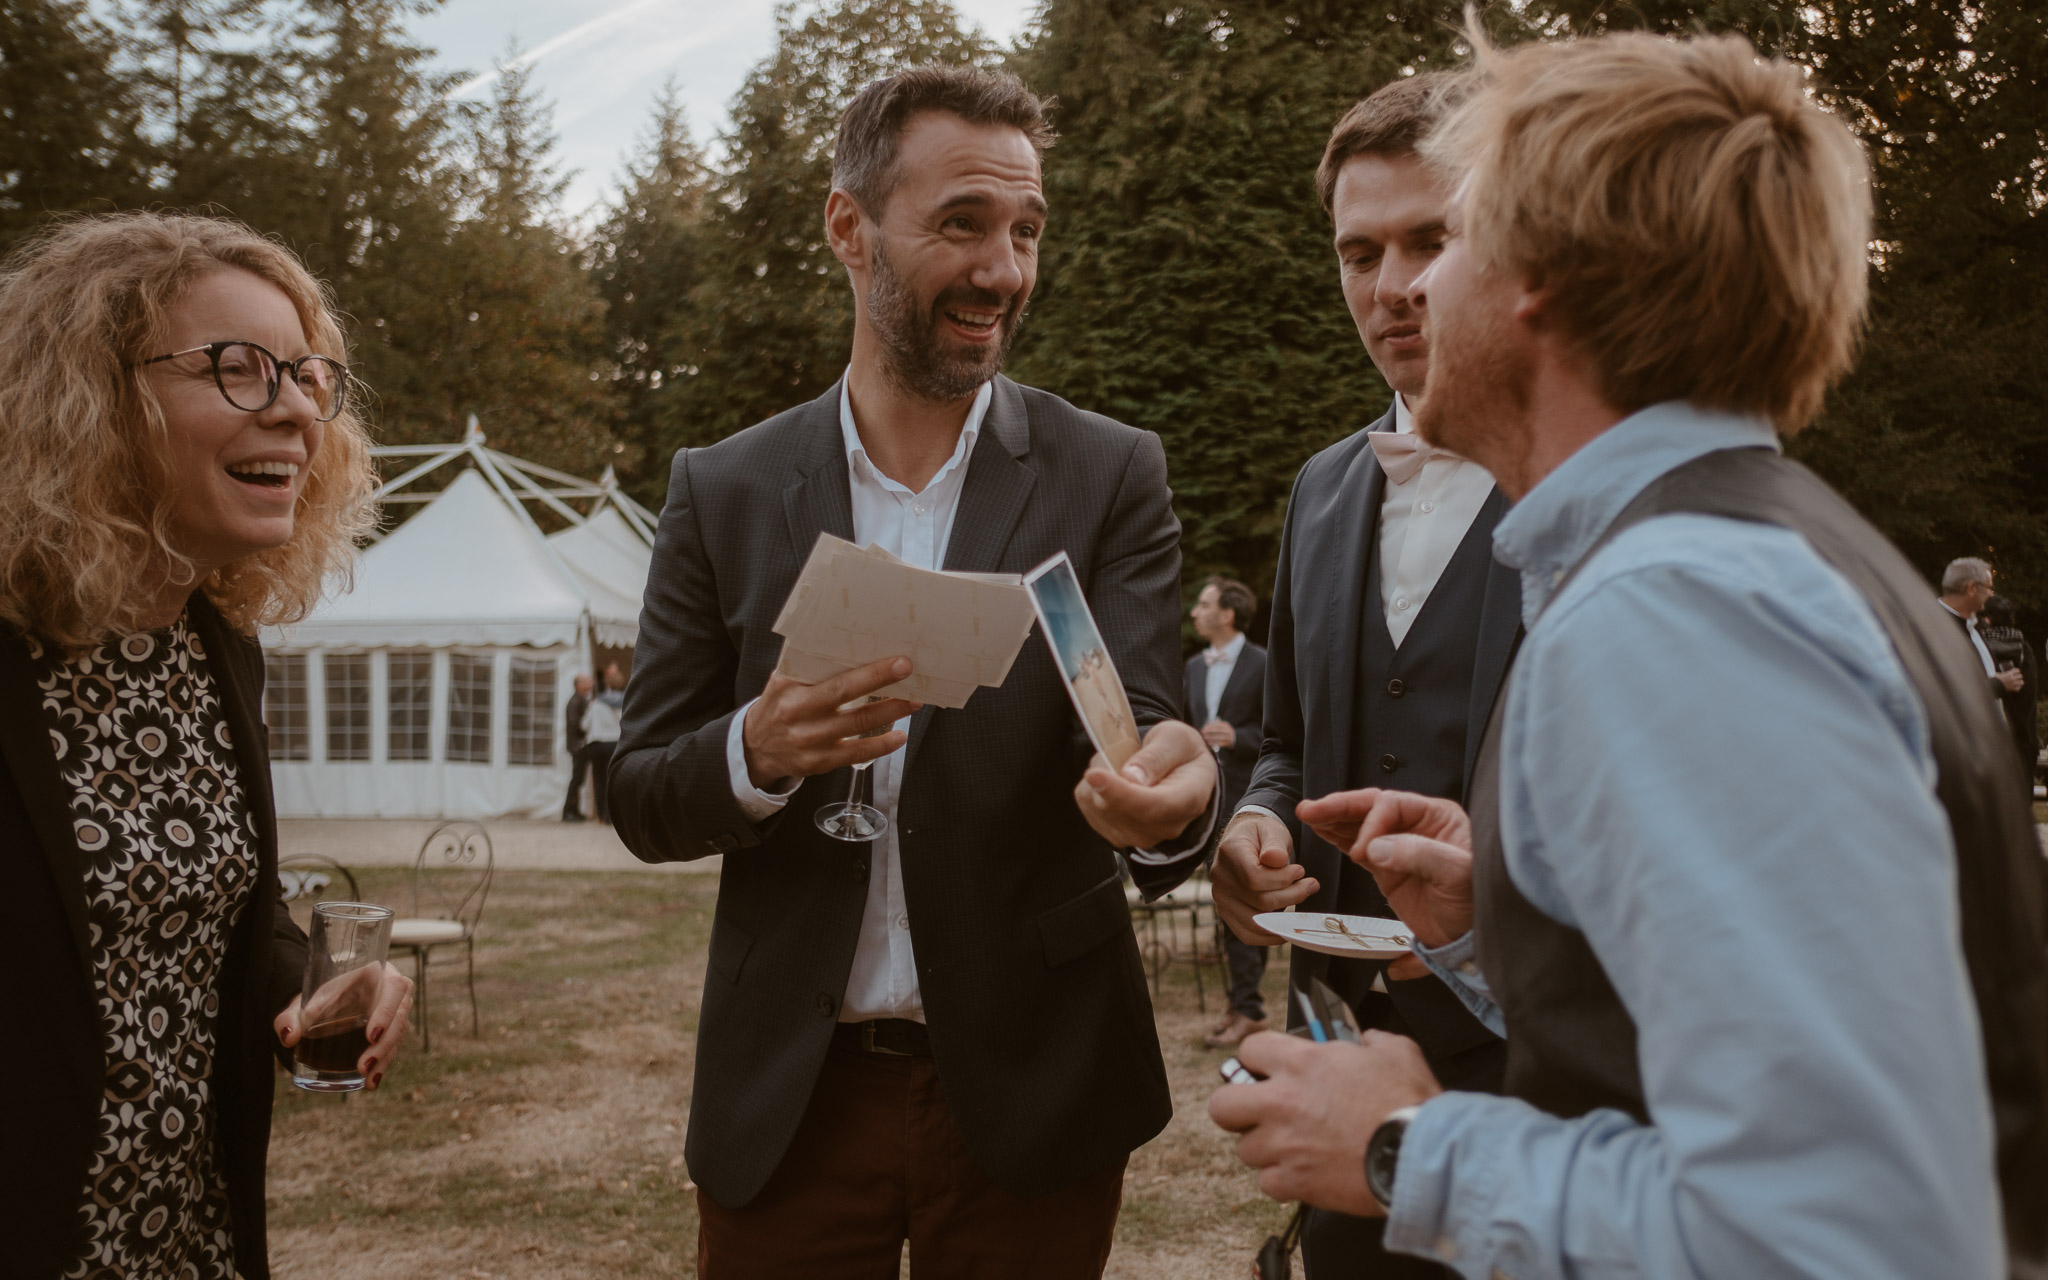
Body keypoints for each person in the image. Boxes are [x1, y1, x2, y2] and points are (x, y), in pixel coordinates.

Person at [1209, 29, 2048, 1279]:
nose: (1407, 294)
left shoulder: (1673, 606)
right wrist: (1507, 925)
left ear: (1540, 275)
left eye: (1451, 242)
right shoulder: (1754, 547)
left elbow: (1851, 1229)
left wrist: (1401, 1147)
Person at [608, 66, 1219, 1278]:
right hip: (791, 1093)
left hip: (1032, 1079)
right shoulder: (721, 488)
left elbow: (1141, 722)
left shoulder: (1107, 473)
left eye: (1025, 230)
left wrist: (1167, 797)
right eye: (961, 224)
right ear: (849, 227)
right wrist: (755, 750)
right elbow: (636, 789)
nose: (1003, 269)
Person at [0, 212, 415, 1279]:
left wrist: (313, 980)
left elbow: (214, 906)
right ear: (90, 401)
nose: (291, 406)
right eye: (236, 368)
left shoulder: (214, 646)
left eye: (307, 373)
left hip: (191, 1241)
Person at [1206, 71, 1517, 1274]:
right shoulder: (1320, 488)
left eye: (1428, 239)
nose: (1389, 287)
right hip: (1337, 1053)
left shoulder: (1592, 482)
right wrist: (1253, 823)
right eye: (1356, 251)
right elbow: (1285, 736)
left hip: (1545, 1072)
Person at [1186, 576, 1270, 1049]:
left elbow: (1284, 735)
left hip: (1250, 801)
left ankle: (1249, 1008)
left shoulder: (1264, 664)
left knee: (1245, 901)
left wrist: (1239, 738)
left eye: (1203, 604)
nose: (1194, 612)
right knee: (1226, 906)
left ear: (1228, 614)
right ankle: (1243, 1004)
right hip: (1206, 805)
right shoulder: (1194, 667)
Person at [1941, 557, 2027, 708]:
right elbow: (1945, 690)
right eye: (1989, 588)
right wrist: (1998, 685)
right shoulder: (1938, 626)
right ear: (1972, 588)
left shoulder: (1973, 625)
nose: (1991, 595)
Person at [1980, 595, 2041, 777]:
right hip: (2024, 740)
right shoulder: (2023, 647)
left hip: (1992, 742)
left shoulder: (1982, 648)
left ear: (1987, 620)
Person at [580, 664, 626, 824]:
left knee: (598, 780)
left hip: (596, 744)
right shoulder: (623, 703)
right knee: (611, 780)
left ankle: (601, 815)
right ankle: (611, 815)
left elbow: (584, 724)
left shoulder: (596, 703)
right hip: (613, 743)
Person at [561, 671, 596, 821]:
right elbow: (575, 724)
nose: (590, 684)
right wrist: (586, 731)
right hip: (578, 746)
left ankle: (574, 810)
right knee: (576, 779)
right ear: (579, 685)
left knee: (579, 779)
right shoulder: (575, 702)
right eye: (587, 682)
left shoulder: (582, 700)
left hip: (580, 745)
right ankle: (568, 811)